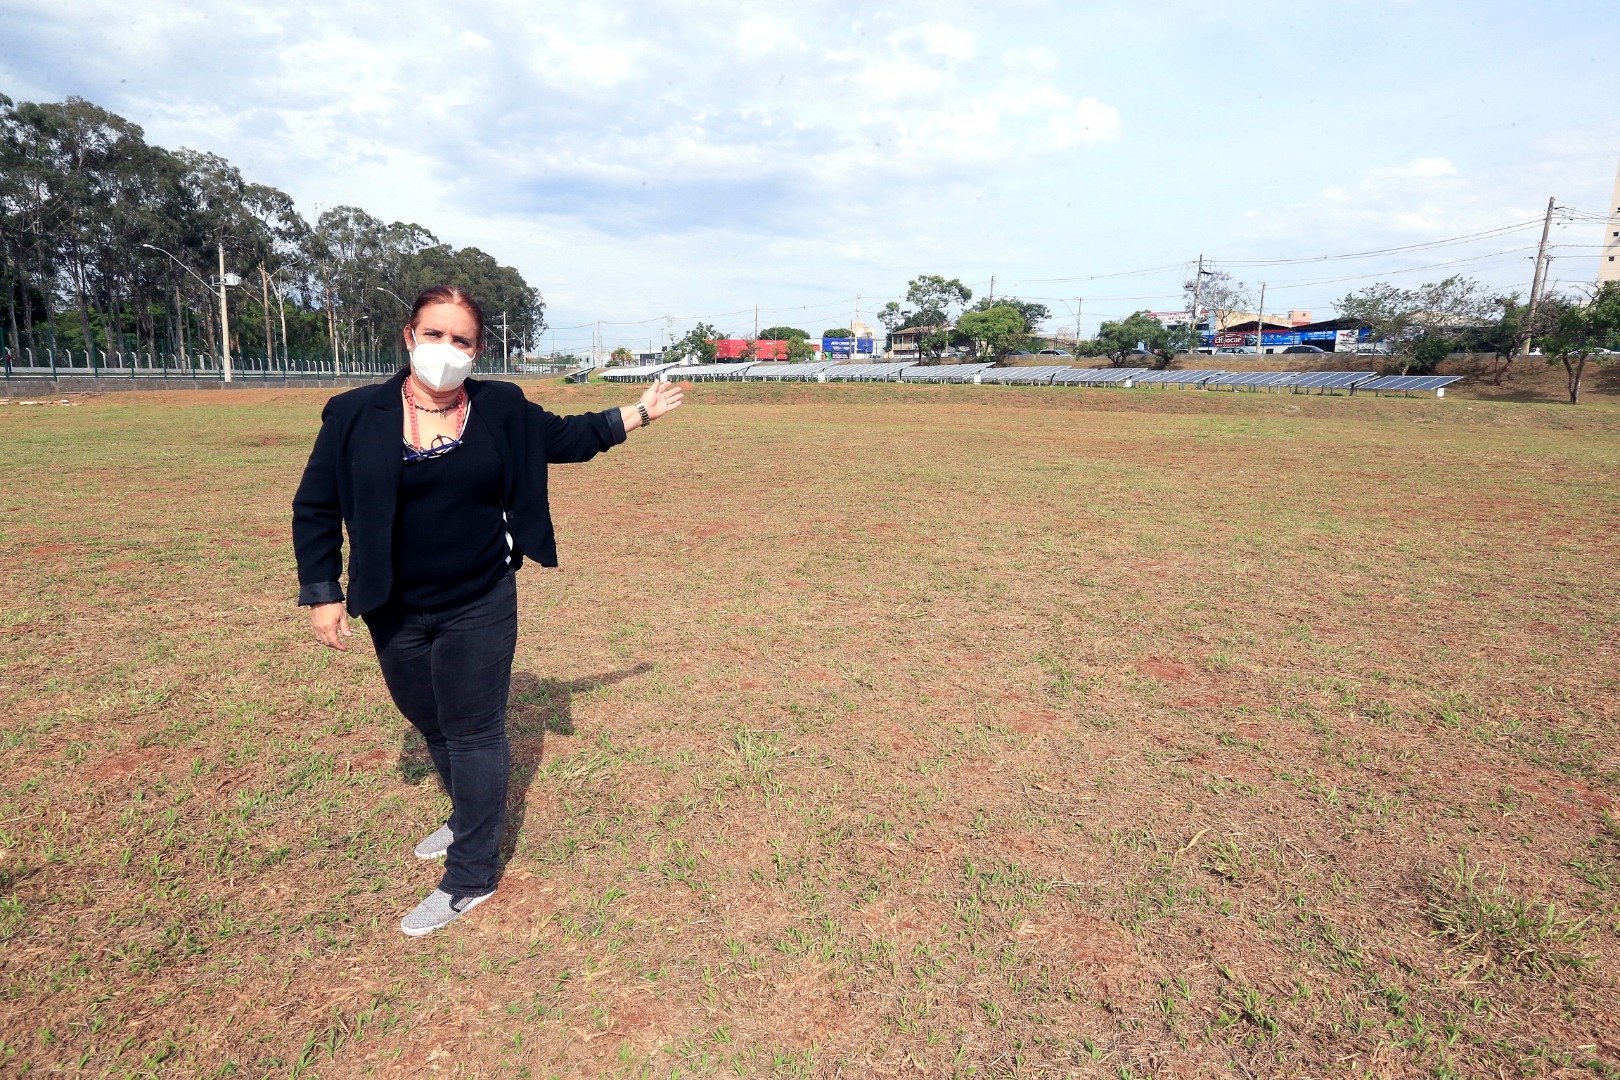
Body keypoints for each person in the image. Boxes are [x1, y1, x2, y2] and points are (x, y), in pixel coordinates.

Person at [291, 285, 683, 936]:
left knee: (473, 731)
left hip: (479, 599)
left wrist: (640, 412)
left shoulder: (501, 408)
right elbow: (315, 506)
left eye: (462, 340)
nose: (446, 349)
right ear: (409, 337)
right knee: (429, 719)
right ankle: (467, 816)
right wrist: (323, 591)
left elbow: (569, 437)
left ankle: (471, 873)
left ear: (477, 351)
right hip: (392, 606)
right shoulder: (355, 414)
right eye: (434, 334)